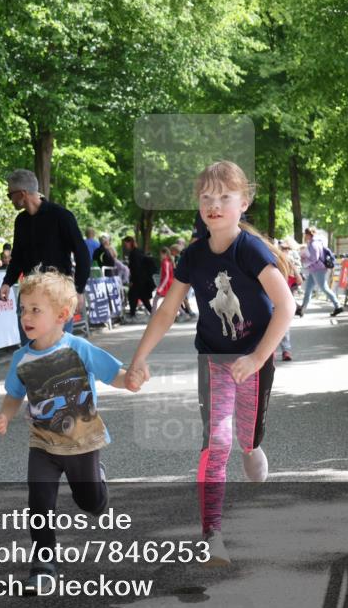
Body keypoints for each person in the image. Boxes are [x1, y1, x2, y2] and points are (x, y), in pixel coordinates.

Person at [125, 161, 294, 566]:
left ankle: (252, 447)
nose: (214, 205)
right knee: (216, 440)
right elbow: (167, 310)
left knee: (246, 440)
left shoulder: (250, 250)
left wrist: (257, 357)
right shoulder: (194, 255)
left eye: (224, 197)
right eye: (206, 198)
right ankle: (212, 535)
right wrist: (139, 358)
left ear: (244, 202)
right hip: (215, 359)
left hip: (254, 359)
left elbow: (286, 305)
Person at [0, 269, 132, 593]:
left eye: (35, 310)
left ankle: (98, 485)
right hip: (43, 442)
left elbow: (114, 374)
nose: (26, 316)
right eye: (23, 309)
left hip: (81, 441)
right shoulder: (21, 358)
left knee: (90, 503)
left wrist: (131, 381)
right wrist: (5, 415)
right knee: (39, 500)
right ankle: (43, 565)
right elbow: (14, 395)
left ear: (62, 315)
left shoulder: (78, 348)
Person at [0, 170, 90, 334]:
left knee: (59, 351)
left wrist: (79, 289)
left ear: (22, 194)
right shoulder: (21, 221)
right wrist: (7, 283)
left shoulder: (61, 216)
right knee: (32, 350)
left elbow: (82, 253)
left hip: (58, 294)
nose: (9, 199)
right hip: (30, 294)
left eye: (10, 194)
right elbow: (17, 257)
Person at [299, 227, 343, 317]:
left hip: (318, 269)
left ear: (308, 235)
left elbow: (314, 258)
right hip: (315, 269)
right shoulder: (315, 242)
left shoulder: (314, 244)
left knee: (324, 288)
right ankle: (302, 309)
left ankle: (338, 306)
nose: (305, 236)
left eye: (305, 235)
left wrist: (305, 259)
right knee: (308, 290)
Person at [122, 236, 155, 319]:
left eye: (126, 244)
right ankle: (152, 313)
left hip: (138, 279)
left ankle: (132, 314)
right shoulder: (139, 251)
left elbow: (135, 268)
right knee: (143, 297)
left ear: (130, 243)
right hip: (143, 278)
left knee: (132, 296)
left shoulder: (133, 253)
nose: (125, 246)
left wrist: (132, 280)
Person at [278, 242, 300, 361]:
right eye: (283, 248)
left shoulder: (289, 279)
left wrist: (293, 267)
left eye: (287, 249)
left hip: (284, 307)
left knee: (284, 329)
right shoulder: (275, 275)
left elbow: (300, 281)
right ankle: (268, 352)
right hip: (272, 305)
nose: (285, 250)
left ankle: (286, 351)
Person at [151, 247, 175, 312]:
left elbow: (166, 276)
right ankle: (183, 313)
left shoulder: (165, 262)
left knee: (155, 300)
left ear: (164, 254)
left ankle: (152, 316)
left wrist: (161, 287)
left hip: (166, 284)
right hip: (168, 283)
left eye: (161, 254)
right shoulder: (168, 262)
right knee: (170, 300)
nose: (160, 256)